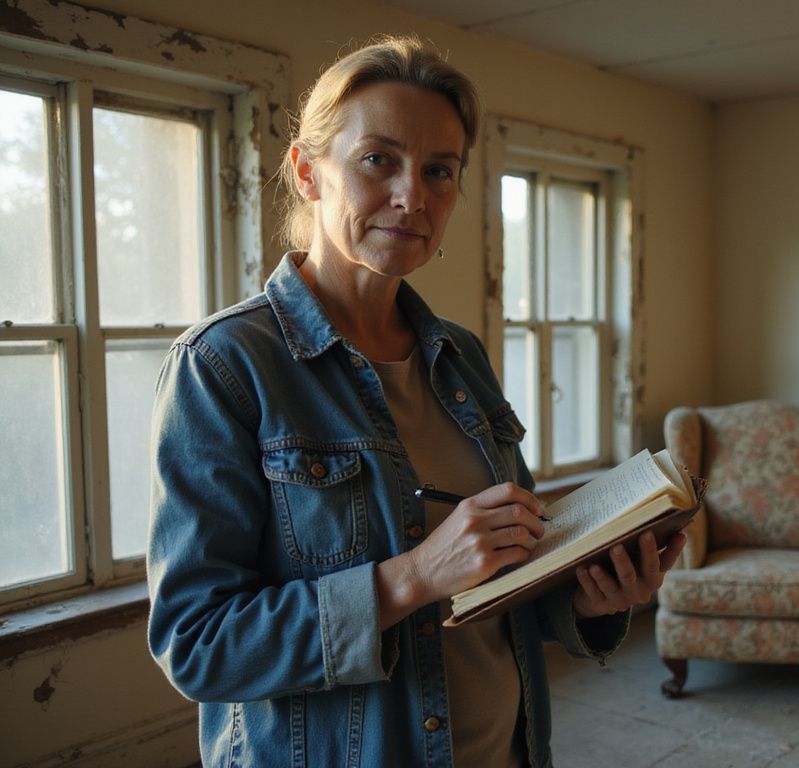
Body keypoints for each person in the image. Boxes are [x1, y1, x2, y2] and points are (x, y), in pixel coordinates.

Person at [146, 35, 685, 767]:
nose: (413, 197)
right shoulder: (223, 365)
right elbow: (199, 645)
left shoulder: (459, 354)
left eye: (440, 171)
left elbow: (502, 571)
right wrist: (415, 575)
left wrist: (590, 598)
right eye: (379, 160)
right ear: (308, 172)